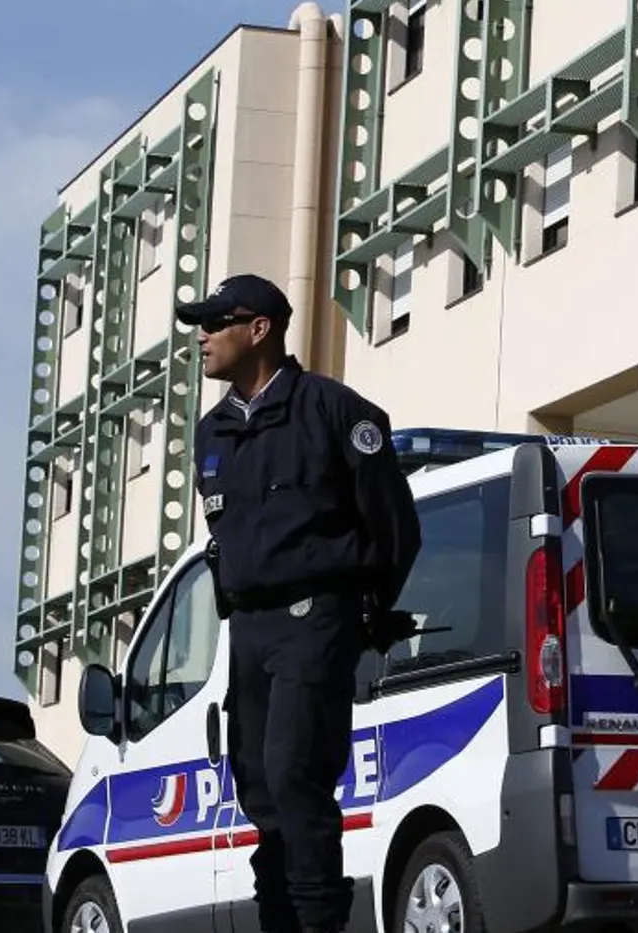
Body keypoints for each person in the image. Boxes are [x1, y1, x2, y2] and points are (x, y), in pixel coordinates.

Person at [178, 274, 421, 933]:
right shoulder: (213, 432)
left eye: (213, 322)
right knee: (258, 785)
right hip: (250, 629)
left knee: (295, 774)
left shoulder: (339, 413)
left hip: (316, 618)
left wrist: (366, 612)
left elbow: (396, 530)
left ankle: (319, 925)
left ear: (258, 329)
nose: (201, 335)